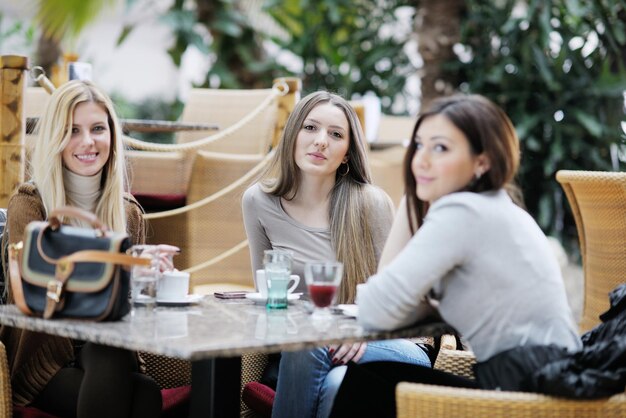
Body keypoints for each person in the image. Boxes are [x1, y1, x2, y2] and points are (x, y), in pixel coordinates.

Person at [328, 94, 582, 417]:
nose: (421, 160)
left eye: (441, 148)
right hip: (548, 383)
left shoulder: (462, 211)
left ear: (482, 161)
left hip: (525, 393)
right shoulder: (496, 207)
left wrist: (410, 203)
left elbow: (377, 309)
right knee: (373, 378)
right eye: (419, 145)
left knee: (366, 384)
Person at [242, 91, 432, 418]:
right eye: (310, 128)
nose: (320, 141)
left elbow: (400, 299)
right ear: (292, 136)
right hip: (308, 347)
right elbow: (266, 291)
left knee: (312, 340)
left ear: (346, 154)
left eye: (335, 134)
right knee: (334, 383)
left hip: (392, 341)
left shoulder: (370, 203)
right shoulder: (258, 201)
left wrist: (360, 328)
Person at [0, 80, 169, 418]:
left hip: (109, 351)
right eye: (72, 130)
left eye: (97, 129)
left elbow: (125, 308)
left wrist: (150, 281)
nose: (88, 142)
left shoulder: (128, 212)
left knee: (136, 379)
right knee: (142, 395)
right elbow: (35, 290)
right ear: (54, 138)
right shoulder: (30, 204)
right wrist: (120, 265)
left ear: (112, 137)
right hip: (43, 359)